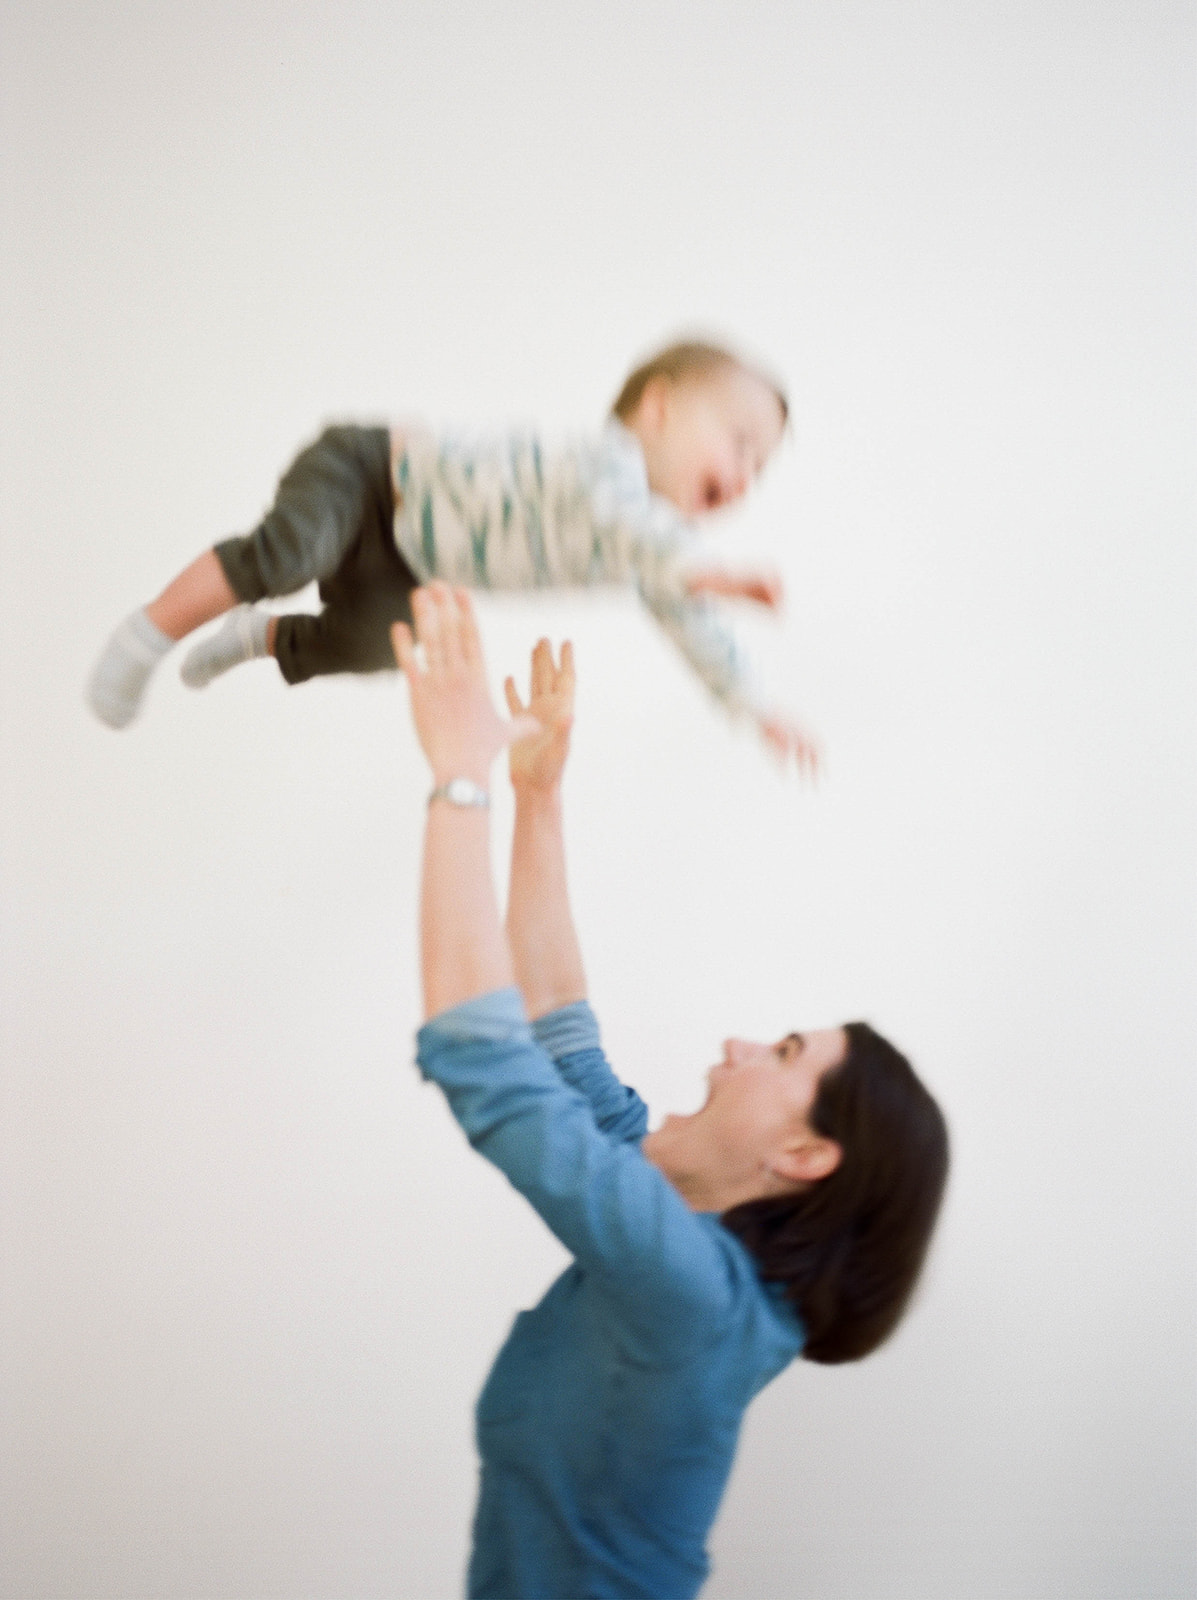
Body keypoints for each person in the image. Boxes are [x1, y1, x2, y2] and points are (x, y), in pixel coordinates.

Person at [398, 583, 949, 1599]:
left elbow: (484, 1057)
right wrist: (537, 794)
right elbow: (554, 1019)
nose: (736, 1046)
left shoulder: (689, 1296)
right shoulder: (693, 1262)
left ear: (803, 1156)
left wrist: (458, 776)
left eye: (783, 1053)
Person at [85, 339, 820, 771]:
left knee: (378, 645)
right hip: (372, 476)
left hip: (406, 560)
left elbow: (694, 627)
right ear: (657, 409)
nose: (744, 478)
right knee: (286, 556)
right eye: (739, 444)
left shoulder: (660, 555)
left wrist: (752, 706)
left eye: (760, 472)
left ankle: (261, 638)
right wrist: (709, 572)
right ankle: (146, 632)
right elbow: (622, 522)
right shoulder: (610, 465)